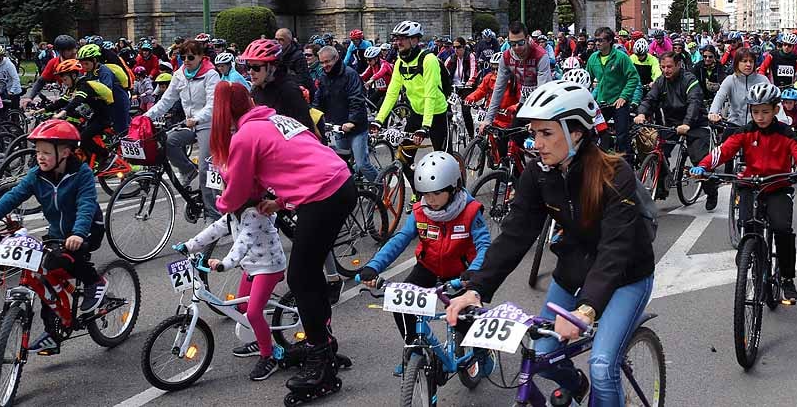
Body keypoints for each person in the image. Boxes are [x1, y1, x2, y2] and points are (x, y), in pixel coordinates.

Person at [446, 80, 657, 406]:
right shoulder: (538, 173)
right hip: (574, 269)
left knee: (602, 365)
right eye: (534, 132)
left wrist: (586, 310)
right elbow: (515, 235)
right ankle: (576, 383)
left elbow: (615, 249)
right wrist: (475, 289)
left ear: (575, 133)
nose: (536, 142)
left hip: (627, 274)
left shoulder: (616, 173)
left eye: (546, 133)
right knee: (543, 355)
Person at [209, 82, 356, 404]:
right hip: (338, 183)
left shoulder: (245, 136)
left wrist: (222, 205)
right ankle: (324, 345)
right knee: (309, 274)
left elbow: (236, 191)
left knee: (301, 278)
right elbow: (299, 160)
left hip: (324, 195)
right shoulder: (275, 119)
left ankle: (322, 364)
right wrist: (282, 201)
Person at [0, 119, 108, 354]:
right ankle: (53, 334)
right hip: (57, 234)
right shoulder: (36, 175)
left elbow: (86, 205)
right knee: (43, 280)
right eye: (37, 151)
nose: (39, 156)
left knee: (63, 259)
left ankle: (96, 283)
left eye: (45, 152)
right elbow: (10, 199)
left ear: (65, 152)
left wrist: (78, 233)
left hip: (86, 230)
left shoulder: (81, 174)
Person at [358, 152, 491, 376]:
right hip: (428, 267)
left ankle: (481, 352)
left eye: (437, 193)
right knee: (401, 306)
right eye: (425, 194)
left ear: (454, 188)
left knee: (463, 318)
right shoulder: (420, 212)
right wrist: (374, 265)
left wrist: (474, 272)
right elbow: (399, 240)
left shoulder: (470, 211)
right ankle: (414, 349)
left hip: (461, 273)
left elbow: (484, 245)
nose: (430, 200)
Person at [690, 83, 797, 301]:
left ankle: (787, 278)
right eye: (755, 111)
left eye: (765, 112)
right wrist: (704, 165)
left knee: (782, 229)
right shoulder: (746, 132)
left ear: (776, 110)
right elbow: (724, 150)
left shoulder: (785, 133)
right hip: (751, 184)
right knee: (748, 223)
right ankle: (748, 249)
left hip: (778, 186)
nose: (760, 117)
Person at [181, 199, 287, 381]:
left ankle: (268, 355)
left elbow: (241, 245)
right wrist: (189, 245)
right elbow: (214, 230)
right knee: (243, 308)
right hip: (251, 266)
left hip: (268, 267)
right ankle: (259, 340)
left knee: (253, 313)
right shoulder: (232, 215)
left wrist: (224, 264)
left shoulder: (255, 216)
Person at [144, 39, 219, 216]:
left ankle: (213, 215)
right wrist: (145, 117)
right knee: (169, 141)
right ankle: (187, 170)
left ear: (201, 57)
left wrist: (197, 119)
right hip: (189, 123)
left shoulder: (211, 75)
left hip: (209, 124)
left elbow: (213, 104)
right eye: (182, 57)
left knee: (205, 169)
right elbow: (166, 101)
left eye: (190, 57)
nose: (186, 60)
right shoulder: (180, 74)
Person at [371, 21, 449, 185]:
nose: (397, 42)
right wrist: (379, 120)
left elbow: (430, 94)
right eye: (396, 38)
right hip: (416, 113)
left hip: (436, 114)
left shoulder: (429, 60)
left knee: (443, 162)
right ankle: (418, 193)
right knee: (404, 159)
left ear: (414, 40)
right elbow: (392, 94)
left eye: (402, 38)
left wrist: (426, 126)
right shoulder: (400, 62)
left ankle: (456, 193)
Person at [634, 52, 712, 206]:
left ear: (678, 65)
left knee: (700, 161)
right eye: (662, 67)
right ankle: (661, 186)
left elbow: (694, 103)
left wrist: (687, 123)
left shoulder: (690, 80)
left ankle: (711, 192)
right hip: (671, 123)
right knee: (657, 149)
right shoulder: (660, 81)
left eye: (669, 66)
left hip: (695, 123)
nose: (665, 70)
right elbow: (650, 98)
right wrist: (642, 113)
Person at [314, 46, 378, 183]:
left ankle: (382, 187)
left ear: (336, 58)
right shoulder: (323, 77)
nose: (324, 65)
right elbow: (318, 99)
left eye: (327, 62)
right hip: (338, 127)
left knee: (362, 164)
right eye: (322, 62)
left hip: (356, 127)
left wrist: (352, 121)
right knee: (342, 163)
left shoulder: (350, 74)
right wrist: (312, 116)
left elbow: (356, 99)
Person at [585, 26, 641, 154]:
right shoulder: (593, 58)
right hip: (601, 102)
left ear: (609, 41)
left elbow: (633, 78)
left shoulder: (621, 57)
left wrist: (624, 97)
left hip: (618, 103)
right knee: (594, 132)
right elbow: (586, 78)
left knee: (622, 136)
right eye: (596, 40)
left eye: (600, 40)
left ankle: (626, 164)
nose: (597, 43)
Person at [240, 38, 314, 132]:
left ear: (272, 66)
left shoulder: (289, 90)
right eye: (248, 67)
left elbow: (306, 130)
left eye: (256, 67)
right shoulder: (255, 89)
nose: (251, 72)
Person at [22, 34, 79, 108]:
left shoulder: (82, 61)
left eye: (74, 48)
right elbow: (41, 81)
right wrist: (30, 98)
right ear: (61, 52)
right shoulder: (53, 63)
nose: (74, 51)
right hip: (65, 98)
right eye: (69, 50)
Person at [446, 36, 479, 136]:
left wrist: (470, 81)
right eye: (454, 47)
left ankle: (471, 134)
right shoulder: (451, 58)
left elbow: (473, 70)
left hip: (466, 87)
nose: (456, 49)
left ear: (464, 47)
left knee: (465, 110)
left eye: (458, 47)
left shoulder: (470, 56)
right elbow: (443, 69)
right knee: (445, 108)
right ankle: (447, 132)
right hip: (454, 87)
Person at [0, 45, 22, 109]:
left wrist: (12, 91)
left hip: (13, 91)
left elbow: (16, 79)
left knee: (14, 110)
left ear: (1, 56)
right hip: (4, 91)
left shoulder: (9, 65)